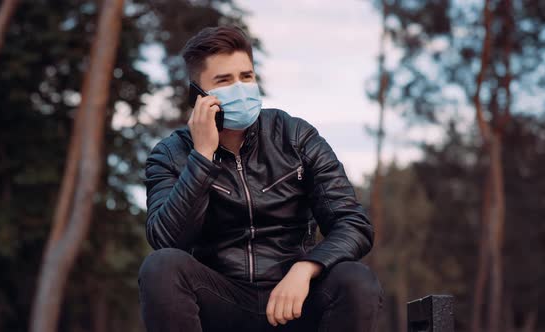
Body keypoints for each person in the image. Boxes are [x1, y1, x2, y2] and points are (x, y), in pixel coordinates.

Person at [138, 26, 383, 332]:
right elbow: (167, 241)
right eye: (224, 81)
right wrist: (201, 157)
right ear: (198, 94)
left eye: (246, 76)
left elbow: (353, 223)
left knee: (355, 280)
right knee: (160, 267)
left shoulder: (295, 136)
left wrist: (306, 268)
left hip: (295, 300)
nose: (240, 88)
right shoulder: (170, 155)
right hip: (222, 303)